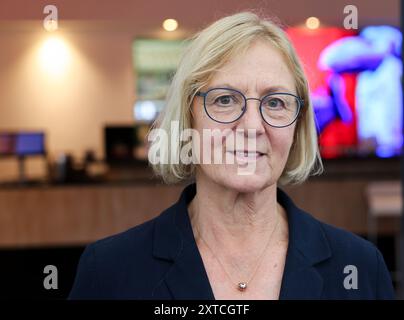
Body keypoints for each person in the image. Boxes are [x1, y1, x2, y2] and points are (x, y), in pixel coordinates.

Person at [69, 11, 395, 300]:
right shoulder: (110, 271)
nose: (252, 126)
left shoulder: (360, 267)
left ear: (297, 124)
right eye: (225, 100)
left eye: (275, 102)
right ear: (188, 116)